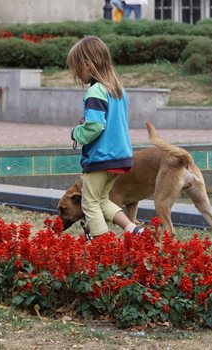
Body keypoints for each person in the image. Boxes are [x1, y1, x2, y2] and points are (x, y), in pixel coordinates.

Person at [66, 36, 145, 240]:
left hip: (100, 157)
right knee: (102, 199)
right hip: (120, 156)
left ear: (87, 64)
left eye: (77, 69)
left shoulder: (95, 90)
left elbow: (95, 126)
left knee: (89, 203)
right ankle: (132, 229)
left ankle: (104, 247)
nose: (77, 74)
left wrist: (77, 133)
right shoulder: (117, 89)